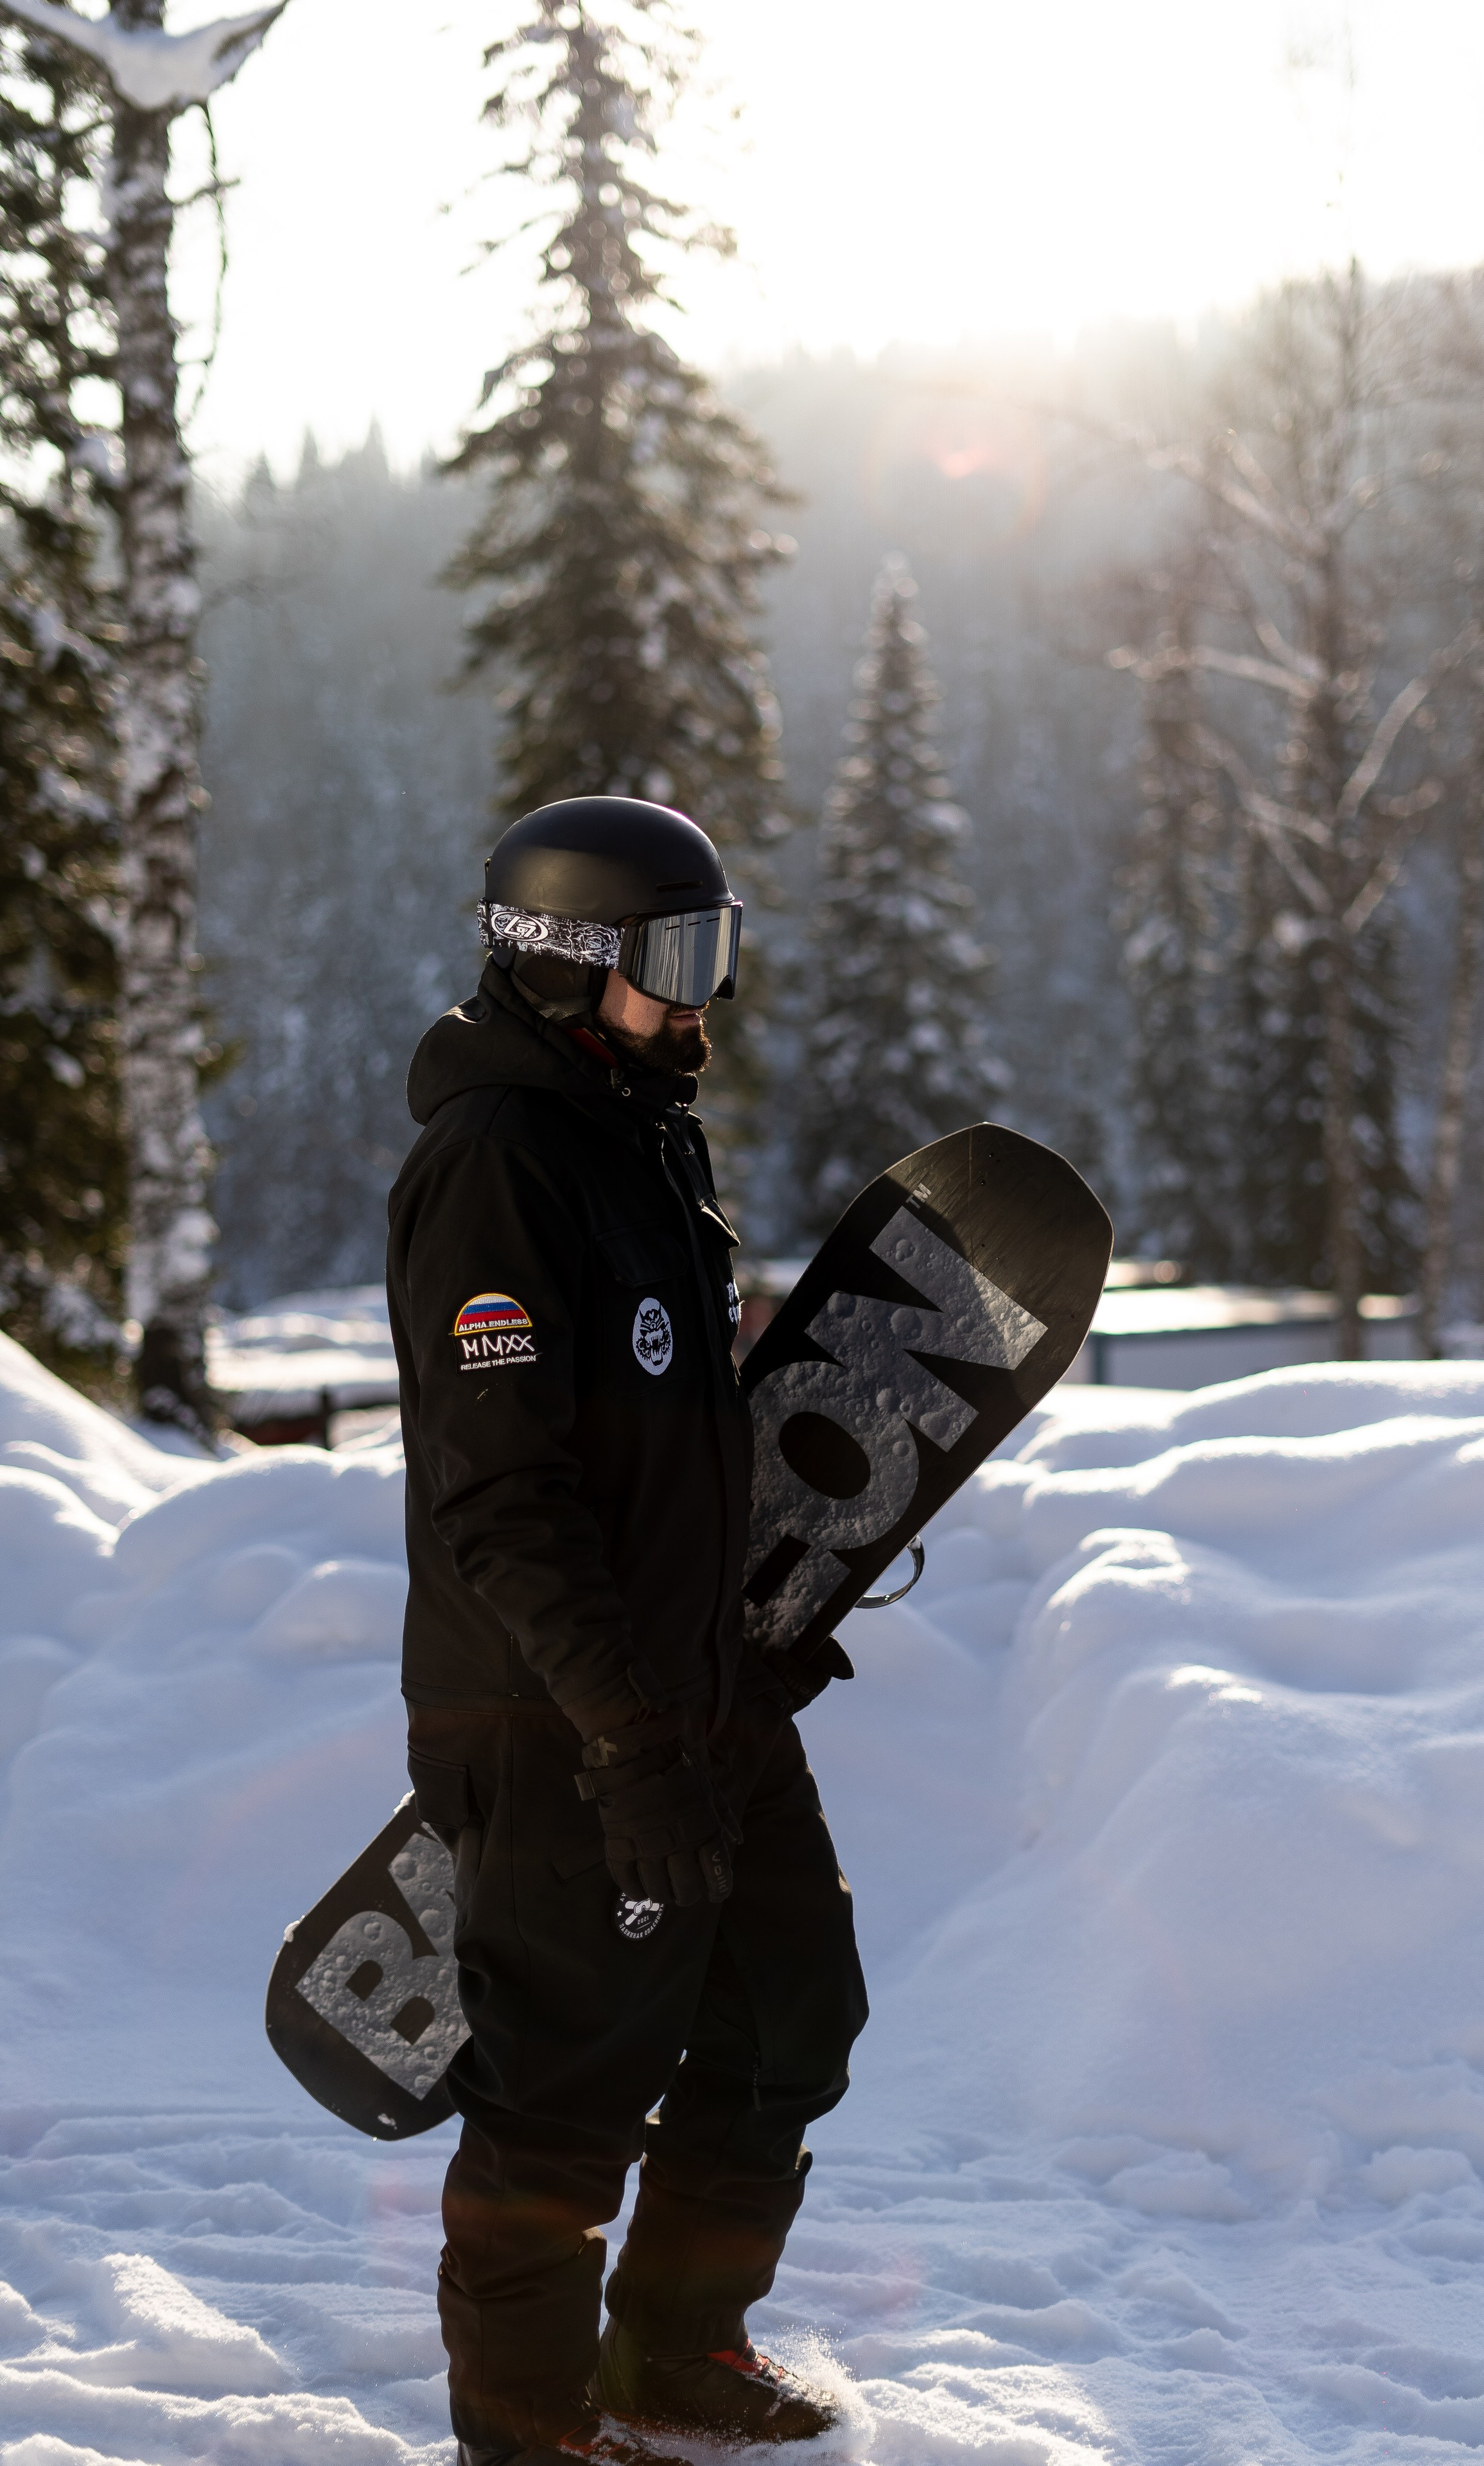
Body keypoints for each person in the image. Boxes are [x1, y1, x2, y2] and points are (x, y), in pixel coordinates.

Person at [386, 796, 868, 2466]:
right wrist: (625, 1735)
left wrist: (752, 1626)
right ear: (563, 961)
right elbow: (507, 1500)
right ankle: (522, 2436)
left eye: (716, 954)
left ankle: (671, 2352)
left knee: (792, 2017)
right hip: (557, 1725)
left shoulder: (641, 1131)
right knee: (560, 2100)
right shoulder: (494, 1171)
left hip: (696, 1695)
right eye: (674, 962)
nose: (703, 1001)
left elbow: (658, 1427)